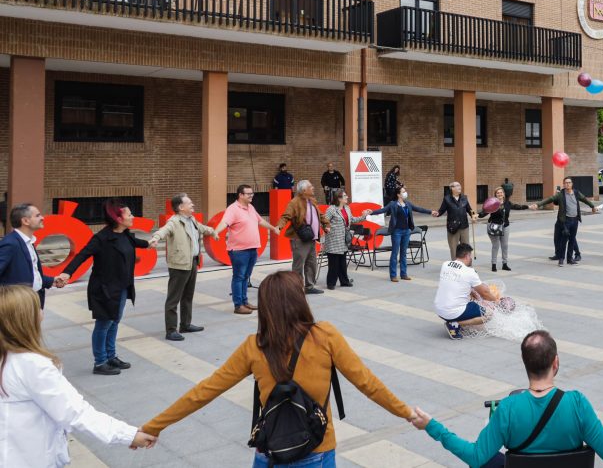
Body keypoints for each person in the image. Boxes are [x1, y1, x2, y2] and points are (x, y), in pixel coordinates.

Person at [141, 271, 417, 466]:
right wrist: (407, 413)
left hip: (270, 453)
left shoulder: (254, 346)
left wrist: (153, 427)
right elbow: (367, 383)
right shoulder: (325, 335)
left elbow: (204, 391)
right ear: (299, 301)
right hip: (316, 450)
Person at [411, 329, 603, 464]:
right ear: (556, 362)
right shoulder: (577, 403)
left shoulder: (509, 408)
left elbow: (476, 457)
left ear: (525, 364)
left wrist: (432, 427)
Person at [0, 285, 158, 466]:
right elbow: (75, 412)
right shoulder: (33, 365)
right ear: (23, 320)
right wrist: (128, 435)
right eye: (36, 308)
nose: (41, 311)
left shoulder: (9, 359)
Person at [56, 199, 149, 375]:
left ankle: (111, 356)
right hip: (105, 288)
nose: (133, 217)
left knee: (114, 320)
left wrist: (157, 238)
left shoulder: (126, 234)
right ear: (119, 219)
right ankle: (100, 362)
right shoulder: (102, 238)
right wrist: (67, 273)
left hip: (122, 286)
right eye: (129, 214)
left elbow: (140, 243)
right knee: (104, 324)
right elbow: (82, 254)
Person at [149, 193, 216, 342]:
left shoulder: (191, 220)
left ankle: (185, 324)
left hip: (192, 262)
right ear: (181, 207)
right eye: (189, 203)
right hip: (179, 265)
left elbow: (201, 228)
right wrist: (155, 238)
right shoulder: (174, 221)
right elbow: (163, 230)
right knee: (173, 299)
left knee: (188, 296)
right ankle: (171, 330)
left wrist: (212, 231)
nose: (192, 205)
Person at [214, 184, 280, 315]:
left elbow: (260, 221)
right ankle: (238, 305)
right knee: (239, 277)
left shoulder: (250, 207)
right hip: (239, 251)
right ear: (241, 195)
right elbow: (224, 222)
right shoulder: (233, 209)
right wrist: (216, 231)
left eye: (252, 193)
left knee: (246, 277)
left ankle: (244, 301)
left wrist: (273, 228)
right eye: (248, 194)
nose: (252, 195)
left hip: (252, 249)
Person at [365, 185, 435, 282]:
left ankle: (403, 274)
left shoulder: (408, 204)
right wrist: (371, 212)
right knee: (395, 253)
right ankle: (393, 275)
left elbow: (419, 209)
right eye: (403, 191)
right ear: (398, 194)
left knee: (404, 253)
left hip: (407, 231)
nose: (405, 193)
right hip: (397, 231)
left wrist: (430, 212)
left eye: (404, 191)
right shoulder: (393, 204)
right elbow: (383, 210)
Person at [0, 203, 61, 308]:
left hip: (33, 301)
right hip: (18, 306)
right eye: (37, 215)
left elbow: (31, 274)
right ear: (25, 221)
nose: (42, 218)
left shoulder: (28, 242)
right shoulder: (10, 243)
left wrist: (52, 281)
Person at [277, 179, 331, 295]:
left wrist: (326, 224)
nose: (313, 188)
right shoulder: (294, 202)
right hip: (299, 239)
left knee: (311, 264)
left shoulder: (312, 200)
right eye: (311, 187)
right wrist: (279, 227)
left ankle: (309, 286)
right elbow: (286, 216)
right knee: (298, 265)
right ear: (304, 190)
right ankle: (296, 288)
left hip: (311, 238)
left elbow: (320, 215)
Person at [434, 243, 497, 339]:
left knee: (469, 301)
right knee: (489, 314)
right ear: (467, 256)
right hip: (452, 312)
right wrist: (497, 302)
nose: (471, 259)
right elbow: (485, 293)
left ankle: (455, 322)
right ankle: (456, 324)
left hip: (439, 309)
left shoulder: (445, 265)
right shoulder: (469, 272)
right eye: (470, 256)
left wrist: (471, 292)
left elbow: (457, 284)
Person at [530, 178, 597, 267]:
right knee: (564, 240)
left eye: (569, 183)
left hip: (575, 220)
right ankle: (561, 259)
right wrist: (538, 205)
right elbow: (550, 199)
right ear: (563, 185)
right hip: (566, 221)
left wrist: (592, 206)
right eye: (566, 183)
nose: (567, 184)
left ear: (572, 184)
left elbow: (584, 199)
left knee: (572, 240)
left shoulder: (576, 193)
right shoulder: (561, 195)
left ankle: (570, 259)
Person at [477, 186, 528, 272]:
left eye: (501, 192)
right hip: (494, 226)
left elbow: (517, 207)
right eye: (498, 193)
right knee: (496, 245)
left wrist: (528, 207)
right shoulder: (493, 203)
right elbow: (484, 212)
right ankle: (494, 265)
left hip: (505, 226)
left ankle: (505, 264)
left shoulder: (507, 203)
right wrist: (477, 215)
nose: (500, 194)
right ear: (495, 195)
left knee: (505, 246)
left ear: (504, 194)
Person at [323, 188, 365, 290]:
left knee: (342, 262)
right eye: (345, 196)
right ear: (339, 198)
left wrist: (364, 216)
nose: (347, 197)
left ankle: (344, 281)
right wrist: (326, 228)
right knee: (334, 264)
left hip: (343, 240)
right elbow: (324, 221)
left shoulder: (347, 208)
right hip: (333, 240)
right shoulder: (331, 209)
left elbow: (352, 219)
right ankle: (331, 283)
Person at [435, 181, 479, 260]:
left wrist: (473, 215)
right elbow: (441, 211)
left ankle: (467, 266)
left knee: (466, 248)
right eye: (457, 186)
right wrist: (436, 213)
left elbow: (469, 209)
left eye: (460, 185)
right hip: (453, 227)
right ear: (452, 188)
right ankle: (455, 266)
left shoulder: (464, 198)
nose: (460, 187)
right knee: (453, 248)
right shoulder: (447, 199)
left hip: (464, 226)